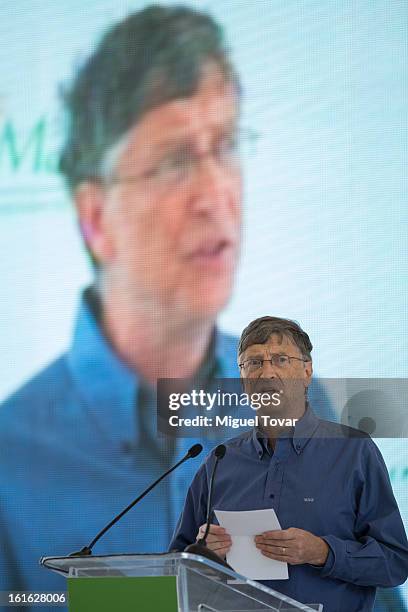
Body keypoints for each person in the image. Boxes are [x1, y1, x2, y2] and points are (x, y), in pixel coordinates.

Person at [0, 5, 244, 599]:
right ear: (95, 219)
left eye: (227, 145)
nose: (216, 194)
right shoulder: (10, 470)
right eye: (176, 161)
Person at [170, 316, 408, 612]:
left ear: (307, 372)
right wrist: (204, 554)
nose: (266, 372)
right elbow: (178, 564)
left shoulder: (354, 451)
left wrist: (323, 553)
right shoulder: (220, 460)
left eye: (280, 359)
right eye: (254, 363)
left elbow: (395, 563)